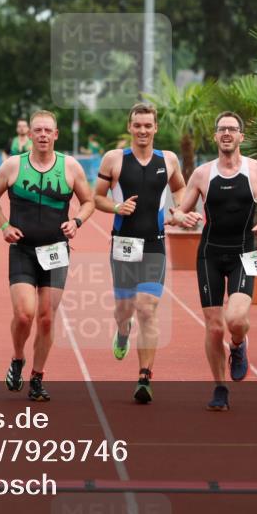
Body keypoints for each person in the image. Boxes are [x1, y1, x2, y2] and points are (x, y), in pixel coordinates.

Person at [169, 111, 257, 411]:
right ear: (215, 137)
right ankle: (220, 388)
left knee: (236, 320)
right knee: (215, 328)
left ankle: (239, 345)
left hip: (246, 252)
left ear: (241, 136)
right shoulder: (203, 174)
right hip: (210, 254)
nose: (227, 133)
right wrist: (182, 216)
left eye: (233, 129)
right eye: (222, 129)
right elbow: (177, 211)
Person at [0, 110, 95, 402]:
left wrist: (77, 222)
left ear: (56, 134)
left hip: (56, 252)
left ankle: (37, 377)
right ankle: (18, 358)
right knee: (24, 314)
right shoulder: (13, 166)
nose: (43, 135)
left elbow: (88, 201)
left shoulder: (70, 167)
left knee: (46, 319)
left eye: (48, 130)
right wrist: (4, 226)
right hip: (22, 250)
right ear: (30, 135)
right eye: (38, 130)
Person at [94, 103, 186, 403]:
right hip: (123, 244)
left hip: (155, 244)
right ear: (130, 127)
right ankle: (122, 331)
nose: (143, 130)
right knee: (125, 311)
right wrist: (117, 207)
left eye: (148, 125)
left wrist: (180, 210)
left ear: (156, 128)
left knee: (147, 308)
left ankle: (145, 376)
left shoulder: (168, 160)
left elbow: (180, 189)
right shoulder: (114, 160)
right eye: (138, 125)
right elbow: (96, 198)